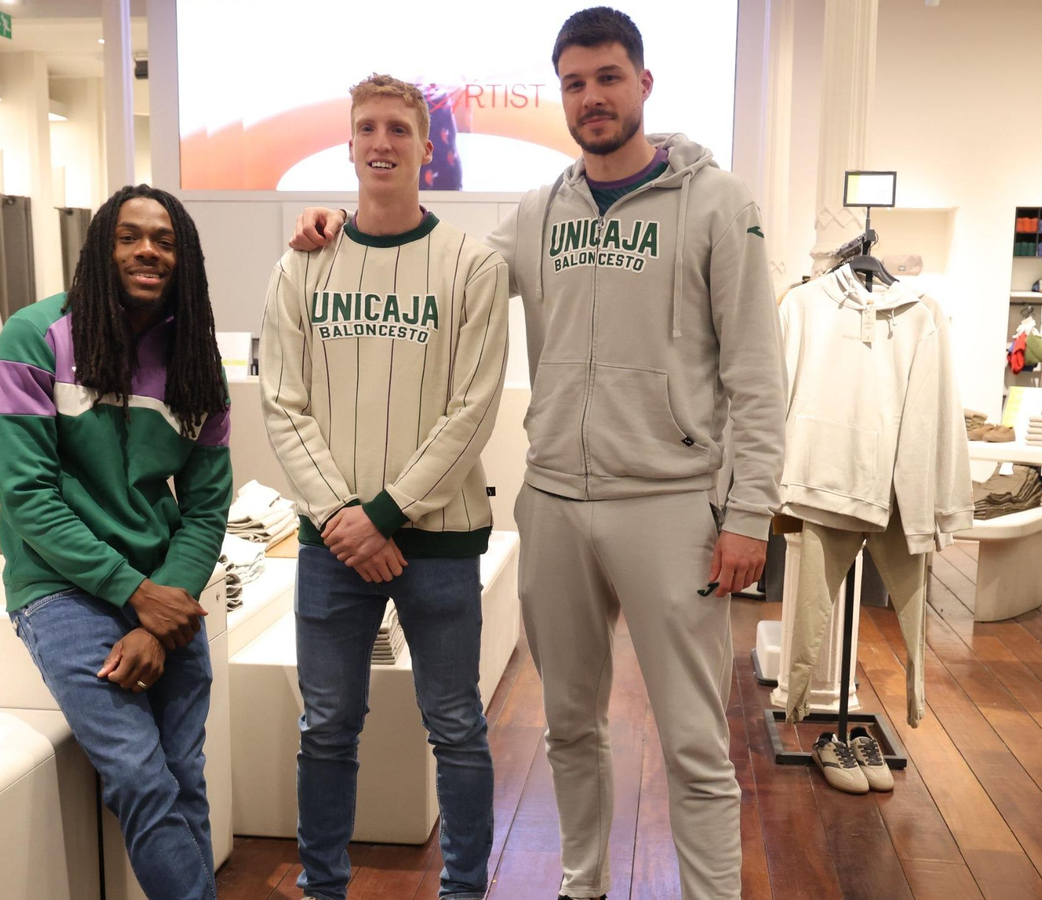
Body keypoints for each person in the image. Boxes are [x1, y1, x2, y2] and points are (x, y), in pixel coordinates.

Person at [290, 9, 785, 899]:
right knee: (568, 726)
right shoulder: (538, 211)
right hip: (553, 501)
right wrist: (343, 234)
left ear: (644, 84)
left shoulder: (719, 203)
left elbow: (756, 371)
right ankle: (581, 883)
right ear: (561, 95)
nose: (591, 98)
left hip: (670, 504)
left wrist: (749, 513)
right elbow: (438, 266)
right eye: (574, 83)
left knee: (693, 739)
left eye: (607, 77)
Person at [260, 74, 510, 900]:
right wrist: (342, 518)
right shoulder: (303, 263)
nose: (381, 142)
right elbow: (282, 403)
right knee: (327, 729)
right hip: (334, 547)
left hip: (435, 544)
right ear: (350, 142)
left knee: (457, 728)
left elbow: (473, 412)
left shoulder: (471, 265)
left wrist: (385, 516)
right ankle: (322, 887)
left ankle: (466, 889)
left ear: (426, 148)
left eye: (399, 129)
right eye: (367, 127)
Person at [0, 184, 232, 900]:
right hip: (60, 589)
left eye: (164, 239)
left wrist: (162, 606)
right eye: (129, 236)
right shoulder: (34, 337)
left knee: (184, 775)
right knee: (140, 777)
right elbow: (28, 496)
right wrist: (135, 594)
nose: (148, 250)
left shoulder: (194, 359)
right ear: (102, 247)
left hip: (164, 587)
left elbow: (207, 506)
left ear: (183, 258)